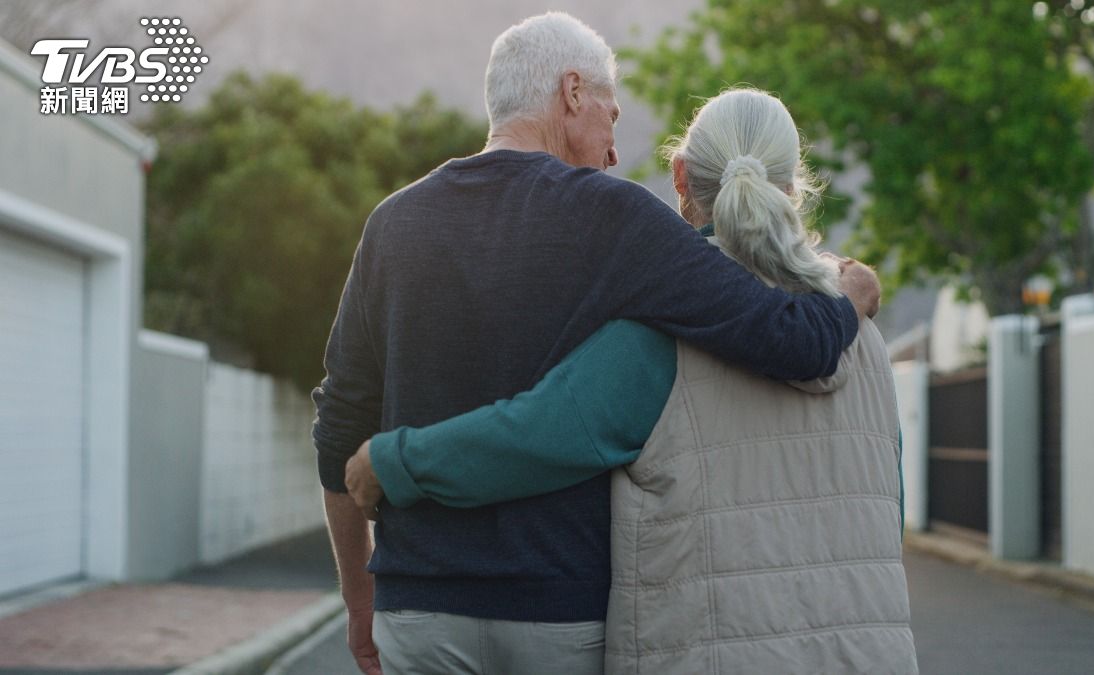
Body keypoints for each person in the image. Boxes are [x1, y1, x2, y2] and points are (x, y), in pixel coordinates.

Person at [312, 13, 880, 675]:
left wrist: (360, 596)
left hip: (419, 606)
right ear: (573, 93)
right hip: (560, 613)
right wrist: (847, 292)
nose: (613, 152)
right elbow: (792, 340)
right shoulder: (616, 217)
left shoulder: (393, 222)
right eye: (611, 115)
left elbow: (339, 424)